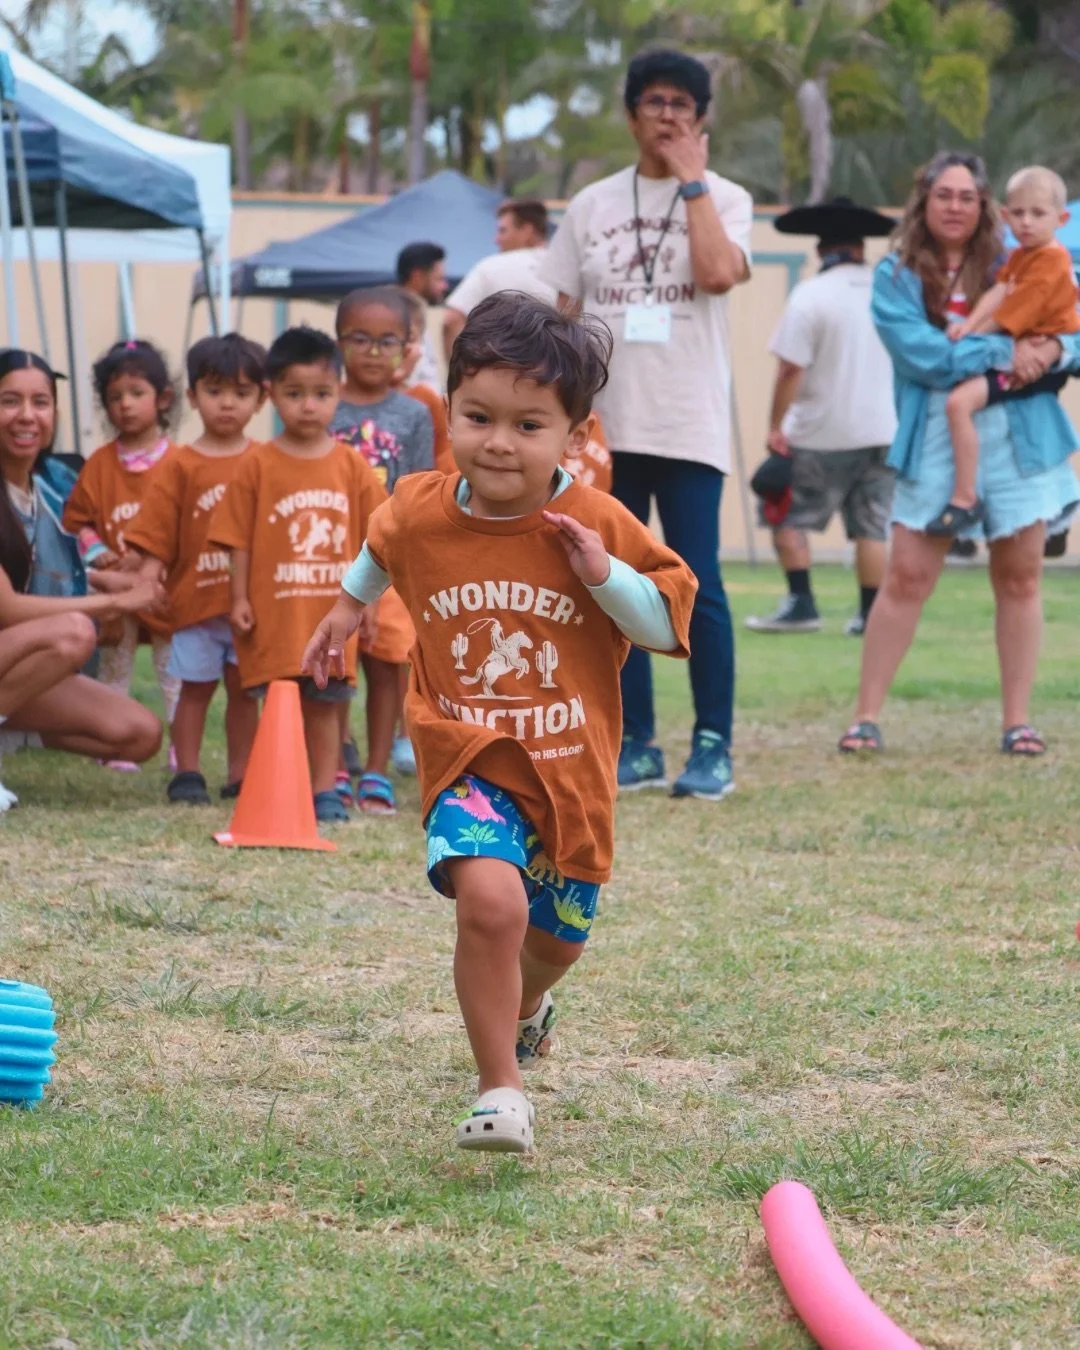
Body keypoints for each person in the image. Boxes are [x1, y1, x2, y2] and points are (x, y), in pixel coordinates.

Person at [303, 294, 696, 1153]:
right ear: (450, 410)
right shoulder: (421, 506)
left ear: (575, 436)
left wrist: (602, 576)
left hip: (570, 773)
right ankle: (500, 1090)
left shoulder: (596, 520)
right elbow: (384, 541)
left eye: (528, 425)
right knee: (490, 905)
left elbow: (669, 623)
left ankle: (527, 1006)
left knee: (552, 944)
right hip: (468, 752)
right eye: (478, 417)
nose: (498, 443)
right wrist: (345, 609)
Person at [543, 47, 751, 800]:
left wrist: (691, 179)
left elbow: (719, 274)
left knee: (698, 580)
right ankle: (635, 742)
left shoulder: (724, 197)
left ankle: (712, 745)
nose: (667, 116)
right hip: (602, 433)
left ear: (701, 119)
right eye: (654, 103)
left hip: (688, 422)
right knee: (609, 581)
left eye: (682, 105)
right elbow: (559, 315)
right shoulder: (592, 204)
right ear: (630, 114)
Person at [839, 151, 1080, 759]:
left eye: (966, 196)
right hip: (936, 440)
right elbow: (925, 356)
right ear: (924, 201)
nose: (955, 206)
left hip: (1021, 439)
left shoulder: (1023, 257)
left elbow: (1070, 330)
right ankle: (865, 717)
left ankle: (1017, 721)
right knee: (907, 576)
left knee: (1021, 578)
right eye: (943, 195)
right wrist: (1012, 355)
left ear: (984, 205)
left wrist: (1051, 350)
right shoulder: (896, 275)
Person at [208, 326, 387, 822]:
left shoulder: (352, 466)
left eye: (322, 394)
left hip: (331, 616)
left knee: (329, 704)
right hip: (277, 613)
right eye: (294, 394)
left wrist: (369, 604)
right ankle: (279, 782)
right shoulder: (256, 465)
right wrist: (239, 598)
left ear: (340, 393)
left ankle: (325, 787)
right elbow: (238, 537)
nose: (308, 406)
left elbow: (376, 543)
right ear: (272, 395)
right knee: (280, 701)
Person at [0, 348, 164, 798]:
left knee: (139, 734)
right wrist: (113, 602)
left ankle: (9, 730)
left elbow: (45, 571)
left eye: (41, 402)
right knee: (73, 633)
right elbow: (9, 607)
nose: (27, 416)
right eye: (10, 401)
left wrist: (110, 580)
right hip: (14, 642)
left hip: (13, 664)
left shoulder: (48, 487)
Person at [124, 334, 267, 806]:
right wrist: (148, 576)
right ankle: (186, 771)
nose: (227, 404)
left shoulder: (266, 463)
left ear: (261, 399)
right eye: (214, 391)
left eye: (242, 393)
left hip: (249, 609)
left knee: (245, 692)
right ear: (191, 397)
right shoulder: (179, 464)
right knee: (194, 689)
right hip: (194, 604)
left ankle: (242, 774)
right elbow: (157, 529)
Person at [745, 197, 897, 637]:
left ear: (819, 250)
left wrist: (776, 426)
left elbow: (791, 367)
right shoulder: (887, 293)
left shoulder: (811, 295)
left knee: (786, 517)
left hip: (818, 434)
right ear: (861, 247)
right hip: (883, 431)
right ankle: (871, 616)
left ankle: (802, 603)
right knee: (870, 526)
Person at [330, 287, 435, 813]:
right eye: (360, 339)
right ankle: (333, 756)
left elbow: (416, 490)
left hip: (389, 561)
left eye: (386, 340)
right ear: (339, 342)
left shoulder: (414, 413)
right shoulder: (322, 403)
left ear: (407, 345)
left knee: (389, 660)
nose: (373, 351)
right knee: (335, 657)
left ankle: (375, 768)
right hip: (328, 558)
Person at [932, 165, 1080, 537]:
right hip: (1019, 349)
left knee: (958, 404)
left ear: (1061, 218)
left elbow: (1013, 314)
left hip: (1031, 353)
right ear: (1004, 214)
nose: (1026, 222)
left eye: (1038, 213)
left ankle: (965, 498)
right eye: (1018, 213)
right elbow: (999, 294)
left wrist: (971, 341)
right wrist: (969, 326)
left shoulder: (1053, 260)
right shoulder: (1021, 255)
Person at [62, 338, 180, 770]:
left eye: (137, 394)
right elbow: (77, 523)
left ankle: (180, 743)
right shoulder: (98, 464)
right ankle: (111, 742)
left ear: (162, 398)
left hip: (165, 588)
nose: (126, 406)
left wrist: (154, 561)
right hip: (116, 591)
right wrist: (104, 558)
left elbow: (191, 525)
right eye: (115, 397)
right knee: (115, 661)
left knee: (175, 669)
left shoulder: (180, 463)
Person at [443, 198, 555, 358]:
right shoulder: (567, 271)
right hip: (554, 376)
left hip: (499, 373)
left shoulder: (491, 267)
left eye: (503, 231)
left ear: (527, 231)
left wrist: (461, 373)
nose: (496, 239)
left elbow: (451, 320)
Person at [395, 241, 449, 389]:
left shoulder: (416, 316)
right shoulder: (393, 319)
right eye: (439, 279)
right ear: (417, 277)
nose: (445, 286)